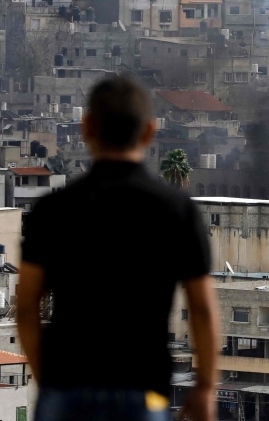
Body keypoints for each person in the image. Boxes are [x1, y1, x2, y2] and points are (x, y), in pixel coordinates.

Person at [18, 75, 219, 421]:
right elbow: (201, 309)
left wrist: (49, 381)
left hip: (66, 390)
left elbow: (25, 309)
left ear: (86, 128)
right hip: (145, 395)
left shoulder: (52, 210)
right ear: (149, 132)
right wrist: (204, 388)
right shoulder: (177, 210)